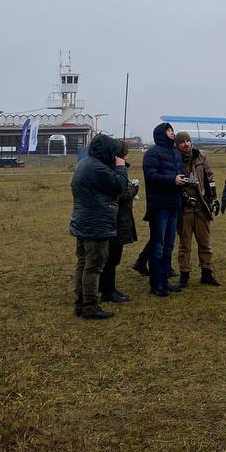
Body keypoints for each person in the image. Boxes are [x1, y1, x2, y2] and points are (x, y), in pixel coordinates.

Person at [69, 133, 130, 320]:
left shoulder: (84, 164)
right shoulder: (98, 169)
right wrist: (121, 168)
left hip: (82, 221)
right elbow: (120, 186)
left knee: (83, 263)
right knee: (94, 266)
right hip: (97, 224)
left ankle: (80, 301)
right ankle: (90, 306)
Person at [141, 122, 196, 296]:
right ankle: (155, 284)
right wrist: (172, 179)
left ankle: (164, 281)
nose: (172, 133)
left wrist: (186, 179)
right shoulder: (152, 154)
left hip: (174, 203)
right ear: (161, 134)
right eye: (169, 131)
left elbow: (179, 171)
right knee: (158, 245)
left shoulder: (174, 153)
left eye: (172, 130)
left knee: (169, 245)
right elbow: (151, 175)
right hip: (159, 206)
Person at [173, 131, 221, 288]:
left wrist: (214, 199)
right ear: (177, 144)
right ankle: (184, 275)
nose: (186, 144)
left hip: (201, 207)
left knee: (205, 242)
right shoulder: (173, 160)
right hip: (184, 209)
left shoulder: (201, 157)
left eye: (188, 141)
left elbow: (210, 179)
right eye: (182, 142)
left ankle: (206, 273)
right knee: (184, 244)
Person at [97, 140, 139, 304]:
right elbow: (120, 195)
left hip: (114, 217)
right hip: (115, 218)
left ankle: (107, 288)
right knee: (112, 257)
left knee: (112, 257)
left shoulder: (106, 167)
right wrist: (133, 190)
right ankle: (108, 290)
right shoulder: (115, 169)